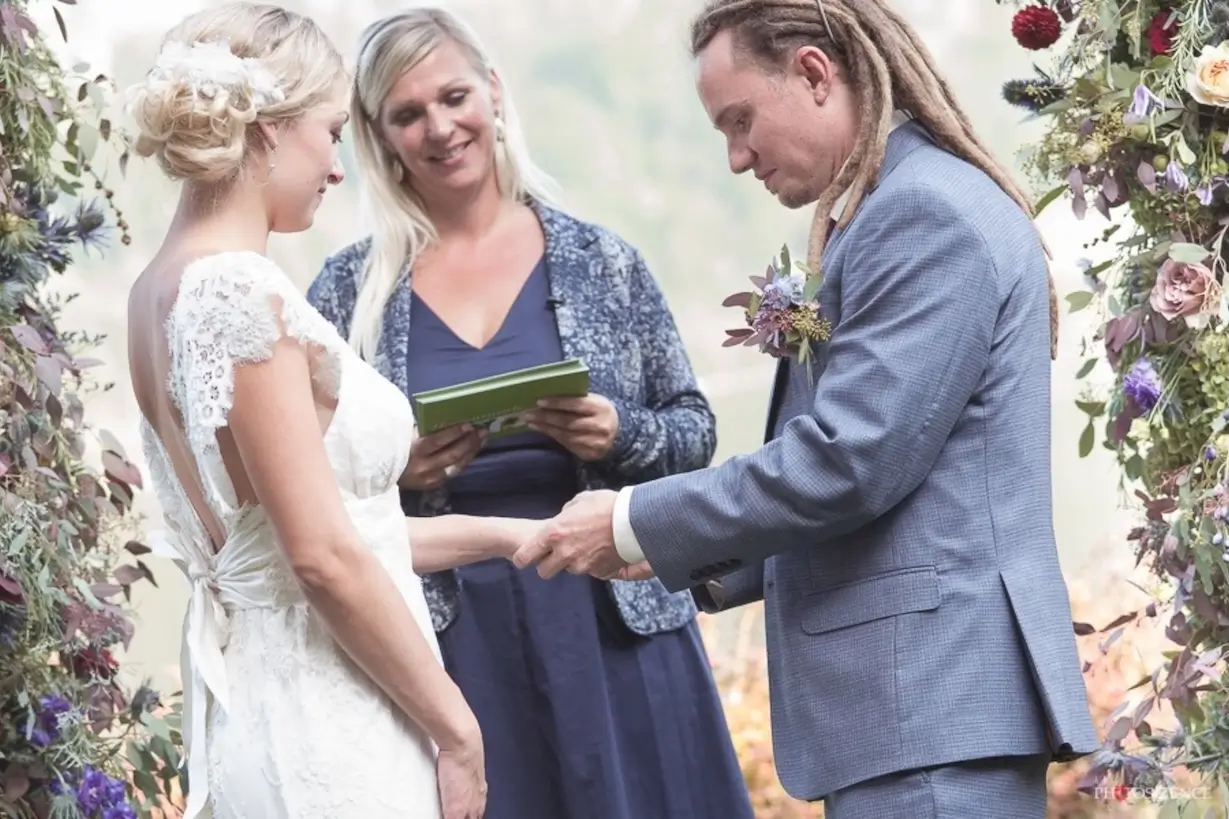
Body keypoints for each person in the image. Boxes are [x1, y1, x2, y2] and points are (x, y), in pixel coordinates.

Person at [513, 1, 1101, 818]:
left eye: (740, 119)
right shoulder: (890, 207)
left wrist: (633, 518)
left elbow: (848, 462)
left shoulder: (920, 214)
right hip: (918, 717)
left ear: (814, 74)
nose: (734, 156)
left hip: (930, 712)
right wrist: (674, 550)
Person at [305, 8, 754, 819]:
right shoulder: (344, 295)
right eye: (408, 114)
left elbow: (694, 433)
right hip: (451, 653)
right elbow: (310, 501)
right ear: (379, 137)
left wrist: (622, 434)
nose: (440, 128)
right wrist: (395, 469)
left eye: (452, 96)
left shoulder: (604, 261)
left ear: (494, 93)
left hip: (615, 630)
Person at [125, 4, 538, 818]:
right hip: (332, 727)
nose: (340, 166)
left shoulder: (153, 293)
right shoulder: (237, 292)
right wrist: (457, 730)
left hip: (263, 710)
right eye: (329, 131)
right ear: (268, 131)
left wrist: (507, 536)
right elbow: (320, 557)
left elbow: (304, 538)